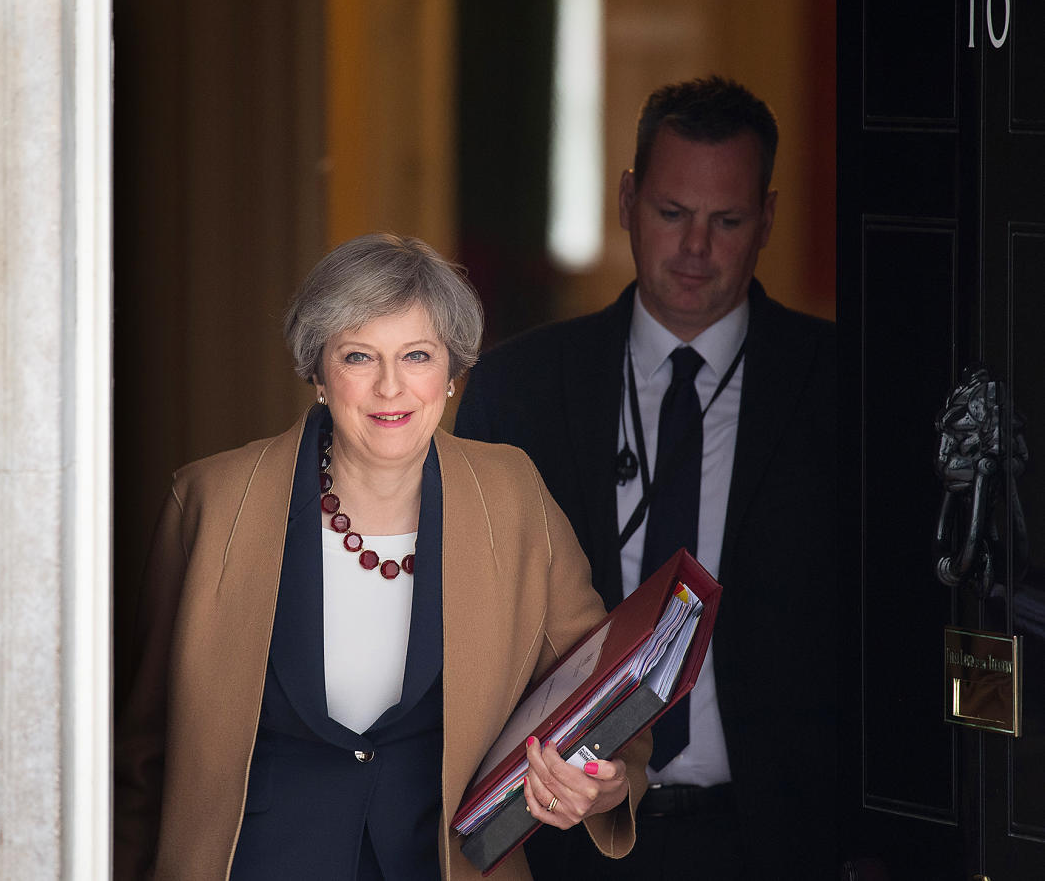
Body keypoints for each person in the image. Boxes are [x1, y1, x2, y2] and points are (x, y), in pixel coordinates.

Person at [114, 233, 651, 881]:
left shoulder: (512, 499)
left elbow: (606, 685)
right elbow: (141, 759)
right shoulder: (208, 503)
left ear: (451, 373)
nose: (391, 386)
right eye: (360, 356)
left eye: (417, 355)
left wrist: (607, 783)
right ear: (318, 371)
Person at [455, 77, 838, 879]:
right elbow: (467, 631)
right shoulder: (517, 389)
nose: (695, 248)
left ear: (766, 218)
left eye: (726, 221)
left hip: (779, 843)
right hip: (565, 843)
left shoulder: (842, 386)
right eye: (672, 214)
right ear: (628, 200)